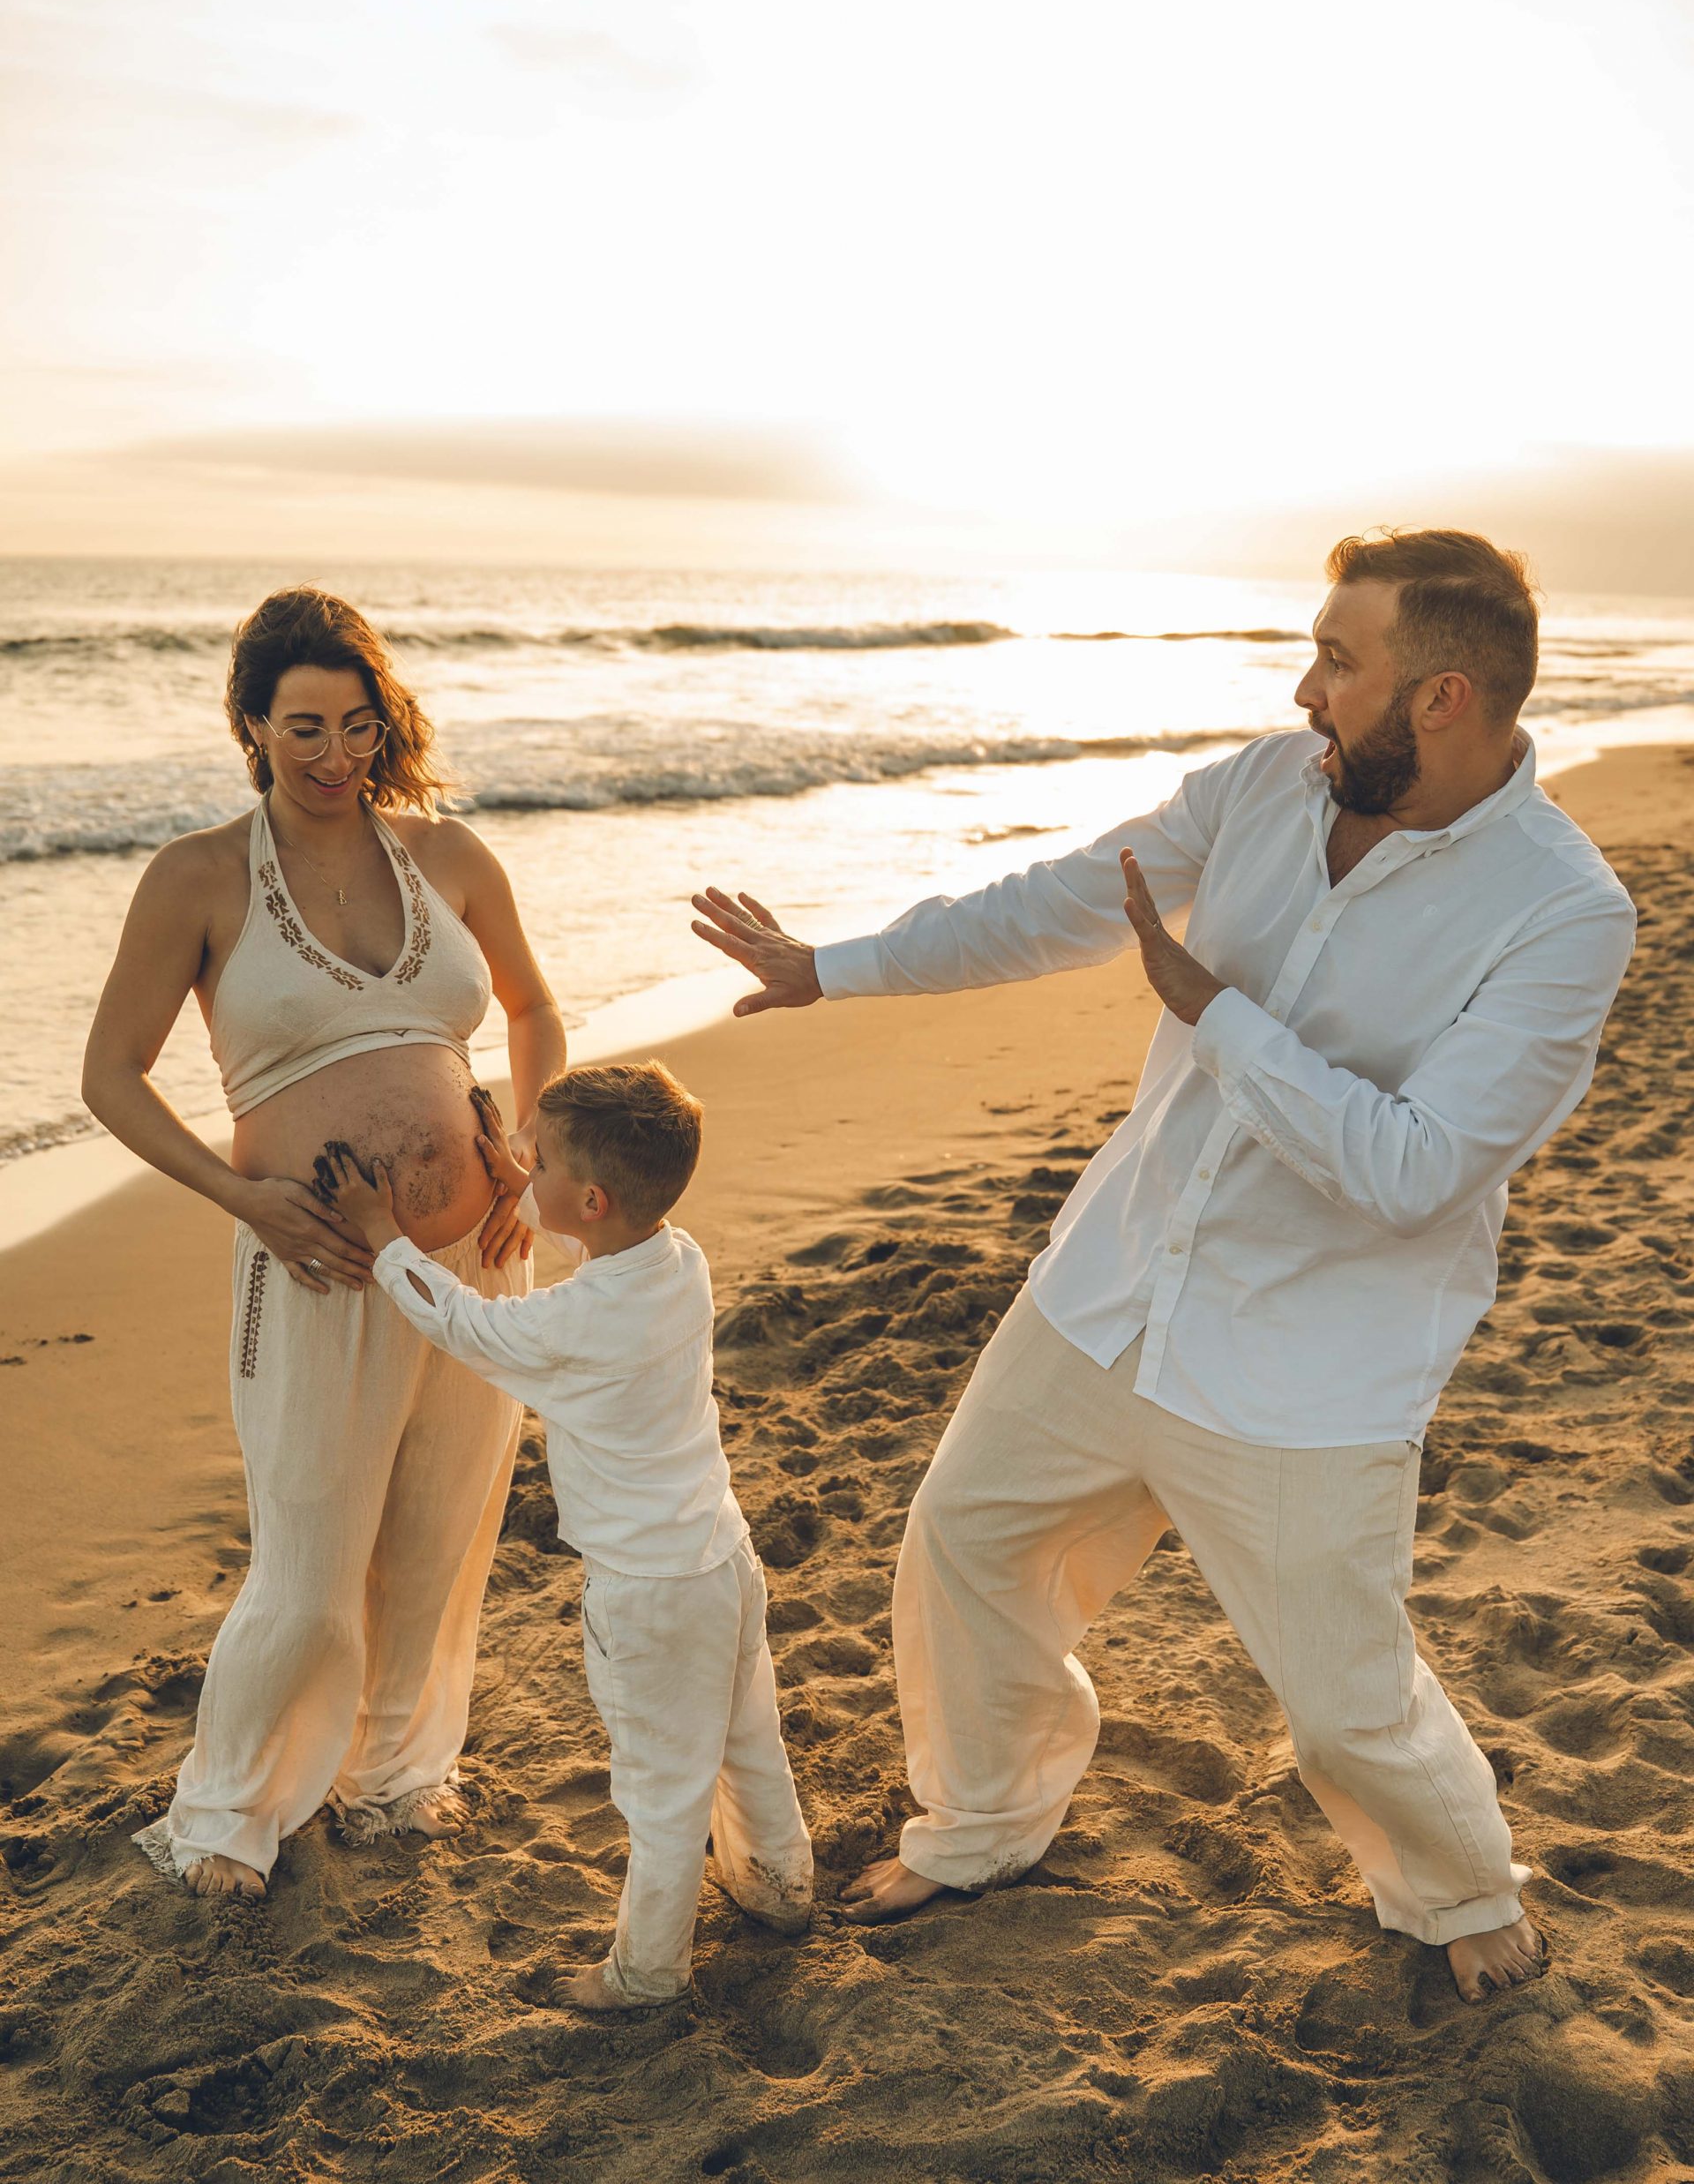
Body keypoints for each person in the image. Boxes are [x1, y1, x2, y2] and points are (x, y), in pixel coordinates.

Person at [687, 529, 1637, 2007]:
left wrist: (1217, 1013)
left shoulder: (1564, 910)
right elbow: (1060, 898)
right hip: (1114, 1282)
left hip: (1309, 1357)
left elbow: (1415, 1169)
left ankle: (1460, 1889)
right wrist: (835, 967)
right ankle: (984, 1825)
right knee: (967, 1545)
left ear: (1442, 697)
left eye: (1338, 661)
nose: (1306, 688)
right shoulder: (1267, 784)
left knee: (1344, 1697)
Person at [84, 585, 566, 1898]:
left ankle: (396, 1775)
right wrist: (238, 1197)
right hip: (315, 1264)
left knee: (436, 1540)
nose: (335, 753)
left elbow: (533, 1011)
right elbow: (112, 1075)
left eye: (358, 725)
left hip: (478, 1260)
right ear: (251, 723)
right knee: (308, 1566)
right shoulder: (197, 876)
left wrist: (527, 1150)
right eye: (303, 726)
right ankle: (229, 1813)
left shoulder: (450, 856)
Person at [322, 1060, 814, 2010]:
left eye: (535, 1160)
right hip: (722, 1556)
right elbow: (591, 1236)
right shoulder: (681, 1262)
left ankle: (647, 1971)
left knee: (661, 1793)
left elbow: (459, 1321)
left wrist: (384, 1235)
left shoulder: (572, 1323)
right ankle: (780, 1884)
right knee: (750, 1735)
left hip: (647, 1594)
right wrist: (527, 1185)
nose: (519, 1166)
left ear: (590, 1200)